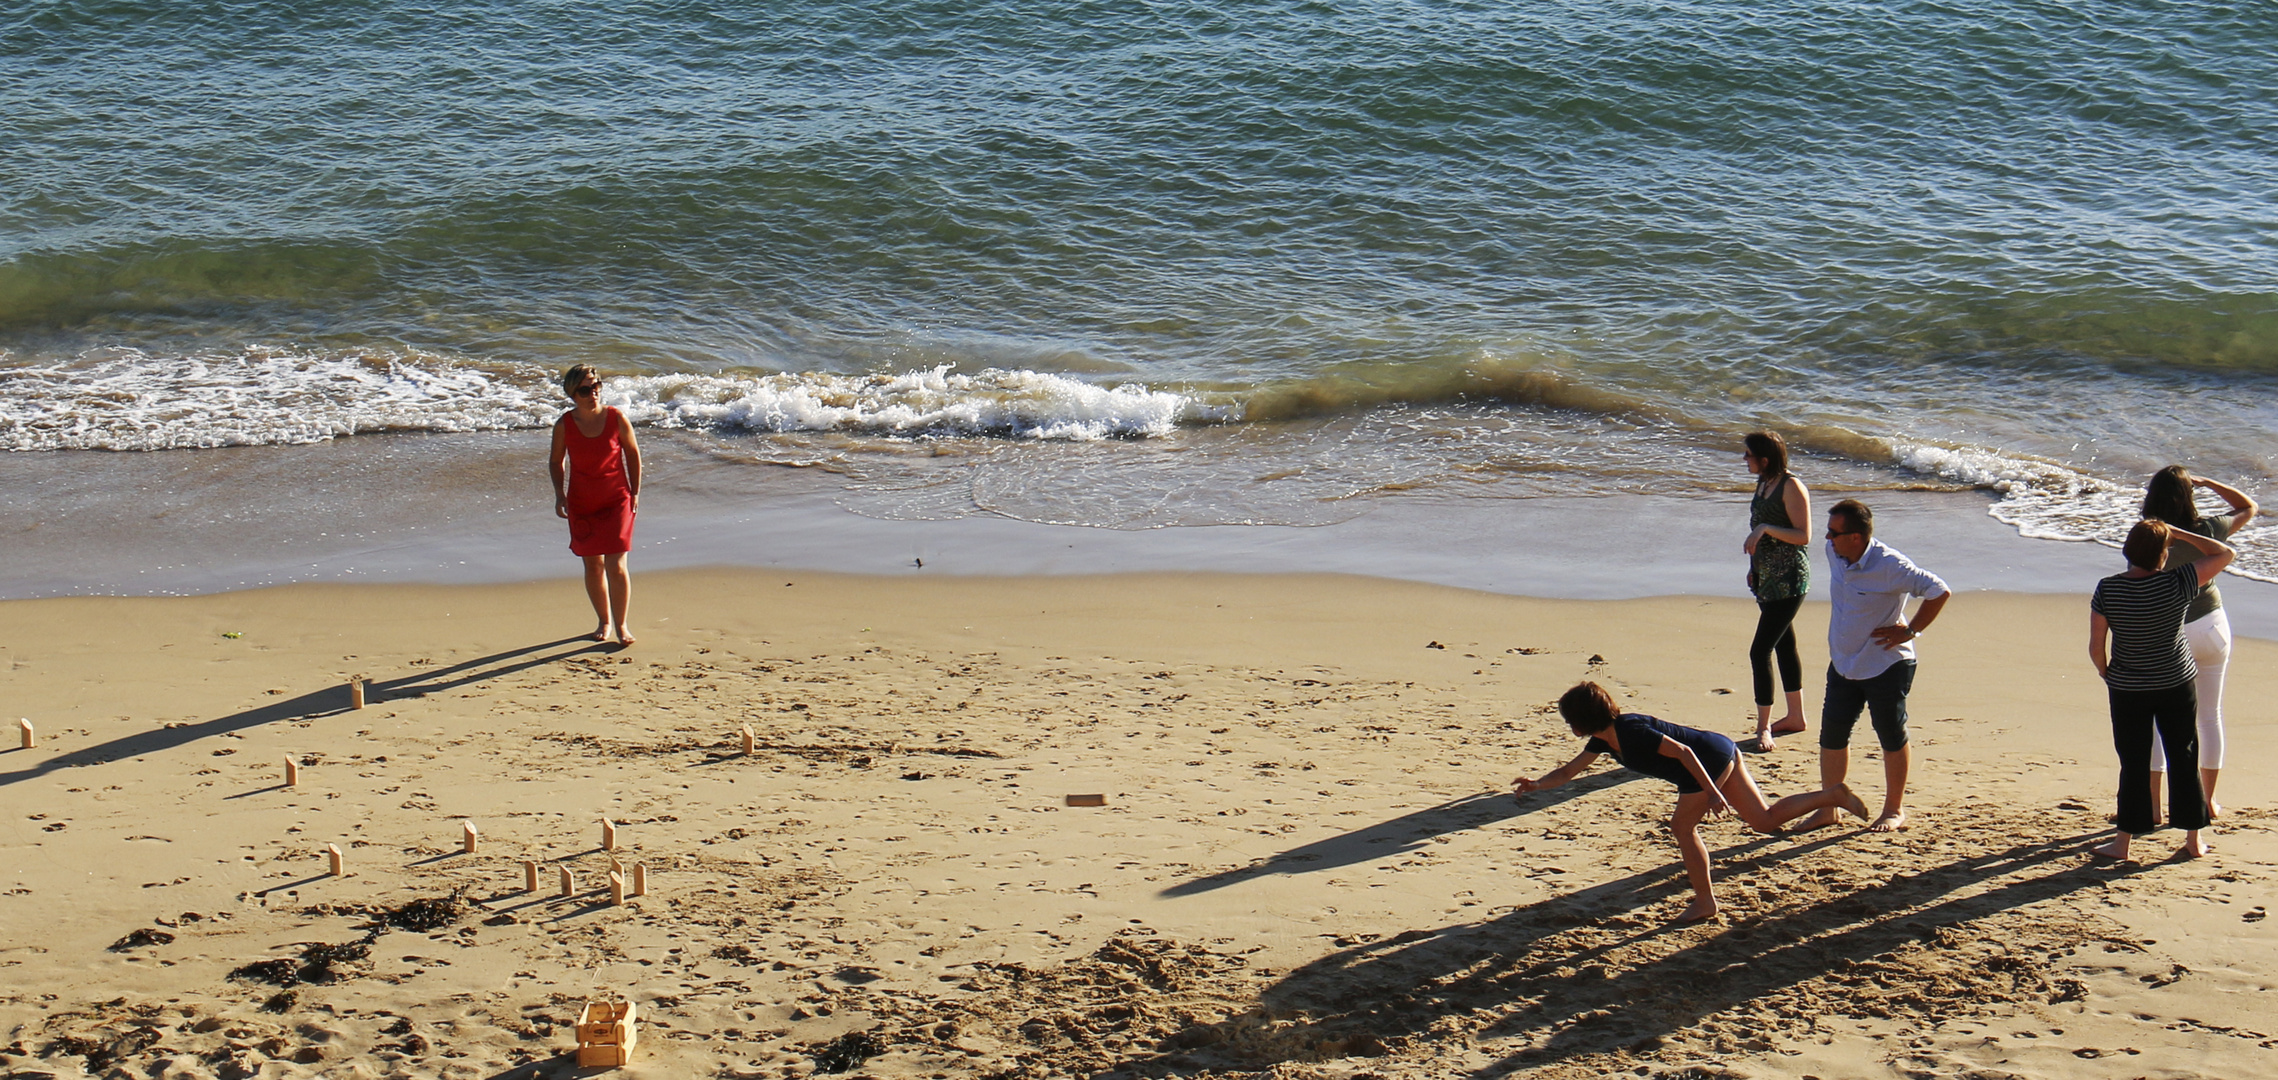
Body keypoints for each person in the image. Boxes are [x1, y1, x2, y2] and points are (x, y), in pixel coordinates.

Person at [1512, 681, 1868, 924]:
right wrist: (1537, 785)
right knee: (1764, 821)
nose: (1570, 725)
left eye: (1571, 719)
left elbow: (1683, 752)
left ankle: (1705, 902)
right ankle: (1833, 795)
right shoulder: (1604, 740)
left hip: (1706, 761)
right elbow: (1569, 771)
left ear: (1584, 719)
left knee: (1682, 827)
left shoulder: (1631, 732)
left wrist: (1711, 790)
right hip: (1715, 752)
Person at [1796, 499, 1948, 834]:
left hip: (1886, 664)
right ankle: (1829, 809)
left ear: (1855, 537)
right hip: (1844, 662)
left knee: (1890, 735)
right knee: (1832, 736)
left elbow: (1938, 591)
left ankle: (1894, 810)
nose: (1826, 538)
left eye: (1834, 532)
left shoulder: (1890, 565)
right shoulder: (1834, 553)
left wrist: (1910, 630)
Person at [2090, 519, 2233, 862]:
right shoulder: (2179, 581)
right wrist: (2180, 533)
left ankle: (2123, 842)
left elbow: (2097, 646)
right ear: (2163, 555)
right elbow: (2225, 553)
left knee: (2134, 761)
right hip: (2175, 681)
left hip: (2128, 686)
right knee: (2183, 755)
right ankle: (2193, 839)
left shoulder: (2108, 588)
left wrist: (2108, 673)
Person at [2140, 467, 2256, 822]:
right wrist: (2209, 481)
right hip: (2211, 626)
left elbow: (2139, 576)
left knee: (2158, 721)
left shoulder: (2150, 535)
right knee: (2209, 716)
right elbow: (2248, 507)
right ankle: (2208, 802)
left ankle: (2153, 807)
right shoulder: (2208, 529)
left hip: (2169, 632)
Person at [549, 364, 642, 645]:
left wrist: (635, 492)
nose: (594, 393)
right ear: (573, 394)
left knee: (616, 563)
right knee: (593, 565)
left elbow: (633, 454)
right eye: (586, 389)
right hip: (582, 501)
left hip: (617, 499)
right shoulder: (564, 425)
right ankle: (603, 622)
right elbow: (556, 461)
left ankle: (622, 624)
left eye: (597, 386)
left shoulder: (616, 418)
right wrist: (559, 494)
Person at [1740, 431, 1813, 752]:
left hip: (1789, 580)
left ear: (1764, 459)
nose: (1744, 459)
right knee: (1785, 645)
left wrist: (1765, 528)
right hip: (1766, 580)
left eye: (1748, 454)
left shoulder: (1791, 486)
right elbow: (1760, 532)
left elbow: (1803, 535)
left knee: (1760, 651)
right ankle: (1795, 716)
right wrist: (1754, 568)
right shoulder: (1763, 483)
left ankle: (1763, 728)